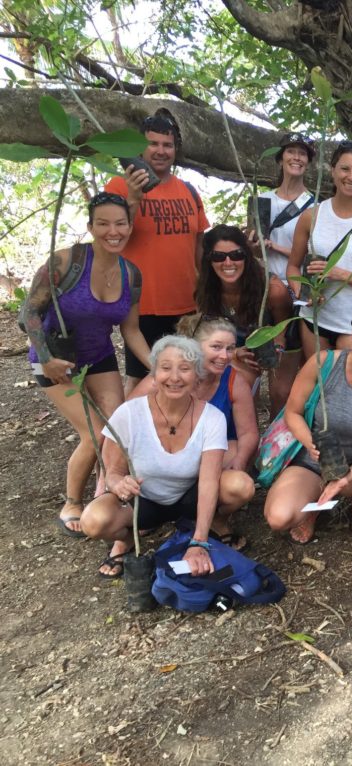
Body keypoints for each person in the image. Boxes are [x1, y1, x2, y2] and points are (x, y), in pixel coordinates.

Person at [22, 192, 149, 536]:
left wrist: (160, 367)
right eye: (103, 223)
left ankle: (106, 492)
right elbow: (29, 311)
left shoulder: (131, 274)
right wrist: (46, 359)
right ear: (91, 226)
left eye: (120, 223)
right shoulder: (66, 261)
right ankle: (72, 502)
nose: (113, 231)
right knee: (93, 433)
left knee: (117, 429)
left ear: (130, 226)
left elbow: (131, 330)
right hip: (54, 359)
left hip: (99, 356)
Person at [79, 336, 249, 578]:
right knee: (93, 521)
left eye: (185, 369)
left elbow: (209, 481)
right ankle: (125, 540)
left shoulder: (212, 418)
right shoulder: (129, 413)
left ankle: (214, 523)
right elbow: (112, 472)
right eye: (166, 368)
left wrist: (199, 542)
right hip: (142, 500)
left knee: (240, 485)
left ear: (197, 375)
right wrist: (118, 484)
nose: (175, 377)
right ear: (154, 374)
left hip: (189, 497)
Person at [263, 300, 352, 544]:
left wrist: (345, 479)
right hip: (312, 463)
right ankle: (314, 503)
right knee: (279, 517)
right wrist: (311, 444)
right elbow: (292, 412)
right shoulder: (323, 363)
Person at [130, 317, 258, 548]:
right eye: (216, 347)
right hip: (166, 456)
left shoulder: (233, 380)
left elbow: (248, 432)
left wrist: (239, 462)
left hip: (212, 456)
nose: (224, 356)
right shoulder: (168, 379)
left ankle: (215, 517)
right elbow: (124, 422)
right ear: (195, 347)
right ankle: (142, 521)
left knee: (237, 462)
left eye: (230, 348)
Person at [105, 109, 209, 391]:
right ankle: (127, 422)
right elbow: (111, 239)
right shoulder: (119, 186)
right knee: (142, 379)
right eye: (153, 144)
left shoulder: (189, 190)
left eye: (168, 145)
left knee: (187, 376)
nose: (161, 151)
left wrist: (205, 293)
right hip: (142, 305)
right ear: (141, 147)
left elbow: (198, 247)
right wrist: (133, 198)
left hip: (187, 305)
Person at [287, 141, 352, 358]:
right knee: (319, 377)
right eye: (345, 169)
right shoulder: (311, 216)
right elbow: (293, 267)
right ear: (333, 170)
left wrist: (339, 274)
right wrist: (302, 293)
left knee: (349, 378)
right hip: (314, 317)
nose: (351, 177)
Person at [255, 132, 318, 410]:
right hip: (267, 291)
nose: (296, 157)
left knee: (304, 370)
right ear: (280, 159)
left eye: (302, 153)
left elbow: (314, 252)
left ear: (309, 162)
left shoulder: (314, 206)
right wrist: (255, 245)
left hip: (299, 290)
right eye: (291, 152)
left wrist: (277, 247)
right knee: (275, 377)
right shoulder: (263, 200)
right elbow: (256, 251)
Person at [194, 225, 291, 401]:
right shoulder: (207, 288)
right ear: (209, 259)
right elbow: (206, 334)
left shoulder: (273, 289)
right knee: (238, 384)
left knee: (281, 393)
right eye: (218, 256)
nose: (228, 263)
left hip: (276, 333)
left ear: (246, 255)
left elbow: (283, 326)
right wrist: (234, 353)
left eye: (236, 255)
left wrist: (277, 346)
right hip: (235, 339)